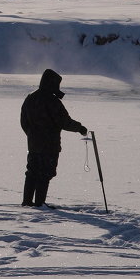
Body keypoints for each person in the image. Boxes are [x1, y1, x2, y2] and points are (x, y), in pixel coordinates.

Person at [19, 68, 87, 207]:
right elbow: (64, 122)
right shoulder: (52, 101)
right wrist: (80, 128)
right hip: (49, 146)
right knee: (45, 173)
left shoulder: (30, 98)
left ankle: (27, 202)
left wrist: (32, 135)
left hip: (33, 145)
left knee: (32, 172)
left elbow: (23, 122)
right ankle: (40, 203)